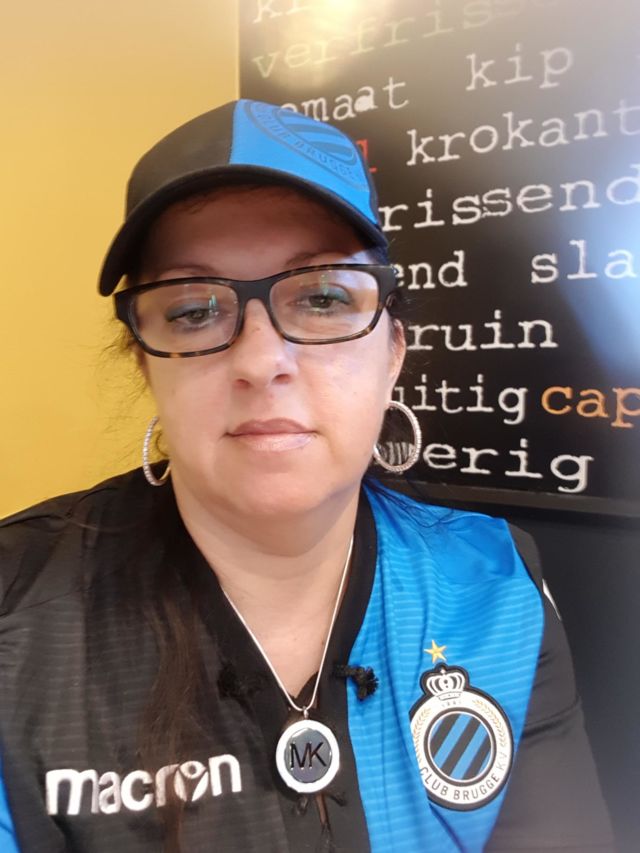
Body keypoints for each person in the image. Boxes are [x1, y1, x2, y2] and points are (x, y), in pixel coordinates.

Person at [0, 99, 613, 853]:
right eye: (193, 311)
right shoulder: (15, 611)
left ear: (392, 352)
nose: (261, 362)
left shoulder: (492, 585)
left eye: (323, 297)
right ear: (144, 362)